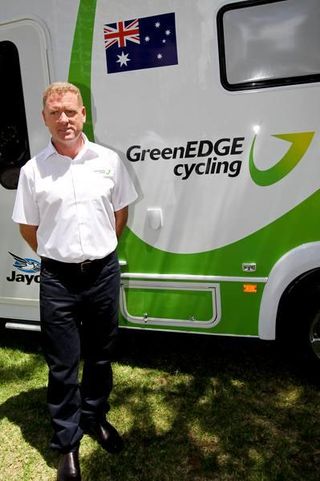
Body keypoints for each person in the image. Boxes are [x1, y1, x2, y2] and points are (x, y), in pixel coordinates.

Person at [12, 82, 138, 481]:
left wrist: (95, 251)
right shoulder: (34, 171)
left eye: (70, 111)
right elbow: (28, 228)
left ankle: (95, 417)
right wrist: (60, 253)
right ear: (44, 119)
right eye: (55, 113)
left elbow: (120, 214)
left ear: (84, 114)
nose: (64, 119)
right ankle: (67, 442)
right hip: (58, 281)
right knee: (63, 364)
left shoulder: (109, 161)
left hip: (101, 273)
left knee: (101, 355)